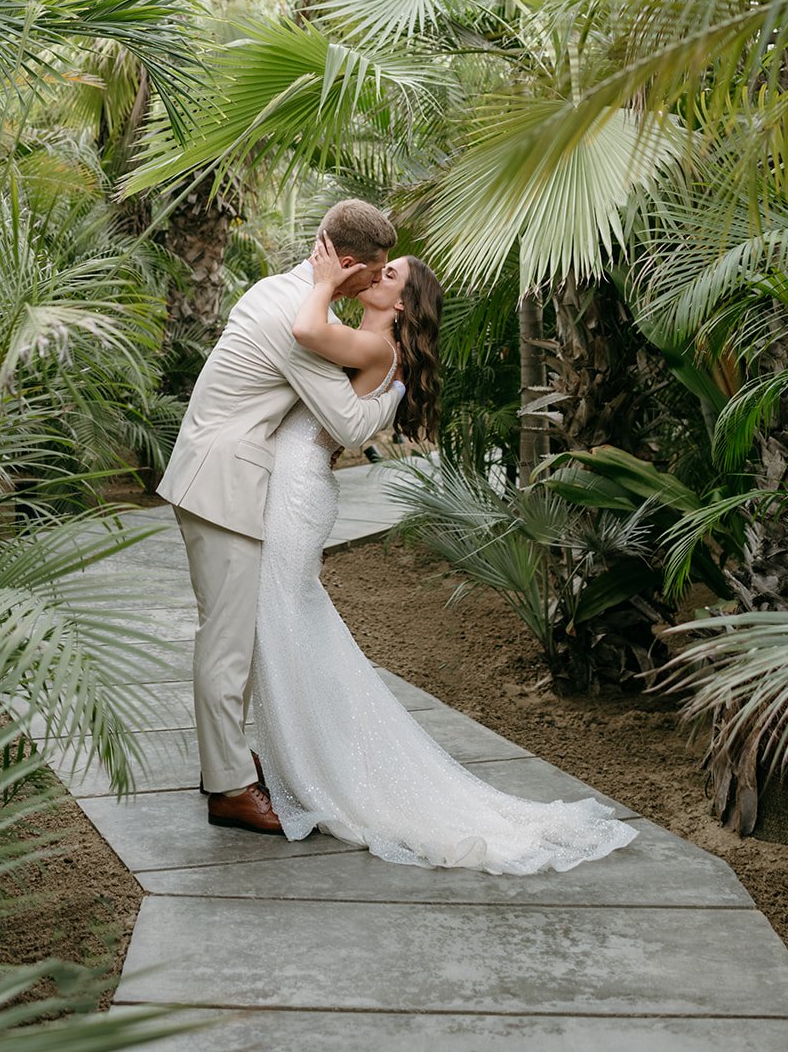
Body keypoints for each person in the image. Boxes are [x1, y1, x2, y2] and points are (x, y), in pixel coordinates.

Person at [249, 234, 639, 874]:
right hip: (294, 485)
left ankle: (310, 767)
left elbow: (302, 327)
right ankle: (304, 756)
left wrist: (321, 279)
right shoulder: (375, 339)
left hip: (297, 491)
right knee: (290, 626)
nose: (376, 272)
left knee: (282, 623)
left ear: (402, 304)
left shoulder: (377, 345)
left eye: (389, 272)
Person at [158, 199, 405, 834]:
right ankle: (231, 789)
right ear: (345, 265)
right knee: (227, 641)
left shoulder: (287, 292)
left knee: (232, 635)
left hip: (222, 477)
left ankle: (228, 766)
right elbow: (347, 422)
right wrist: (395, 393)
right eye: (371, 275)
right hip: (224, 483)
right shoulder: (291, 317)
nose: (374, 286)